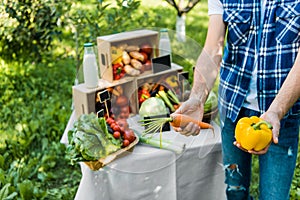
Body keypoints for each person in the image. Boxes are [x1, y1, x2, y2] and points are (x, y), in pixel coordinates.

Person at [171, 0, 300, 199]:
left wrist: (276, 111)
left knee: (274, 196)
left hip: (282, 113)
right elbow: (213, 48)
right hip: (233, 107)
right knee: (235, 190)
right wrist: (197, 97)